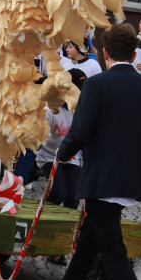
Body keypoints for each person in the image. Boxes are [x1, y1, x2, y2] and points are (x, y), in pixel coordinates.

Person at [29, 24, 141, 280]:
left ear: (104, 53)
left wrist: (61, 154)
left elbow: (79, 132)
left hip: (102, 178)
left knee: (112, 252)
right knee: (89, 242)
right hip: (131, 178)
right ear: (135, 54)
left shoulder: (97, 85)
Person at [37, 69, 88, 210]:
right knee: (58, 193)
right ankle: (46, 219)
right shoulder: (51, 110)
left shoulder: (81, 110)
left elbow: (84, 138)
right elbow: (36, 140)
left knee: (74, 196)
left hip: (72, 158)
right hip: (49, 157)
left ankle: (67, 228)